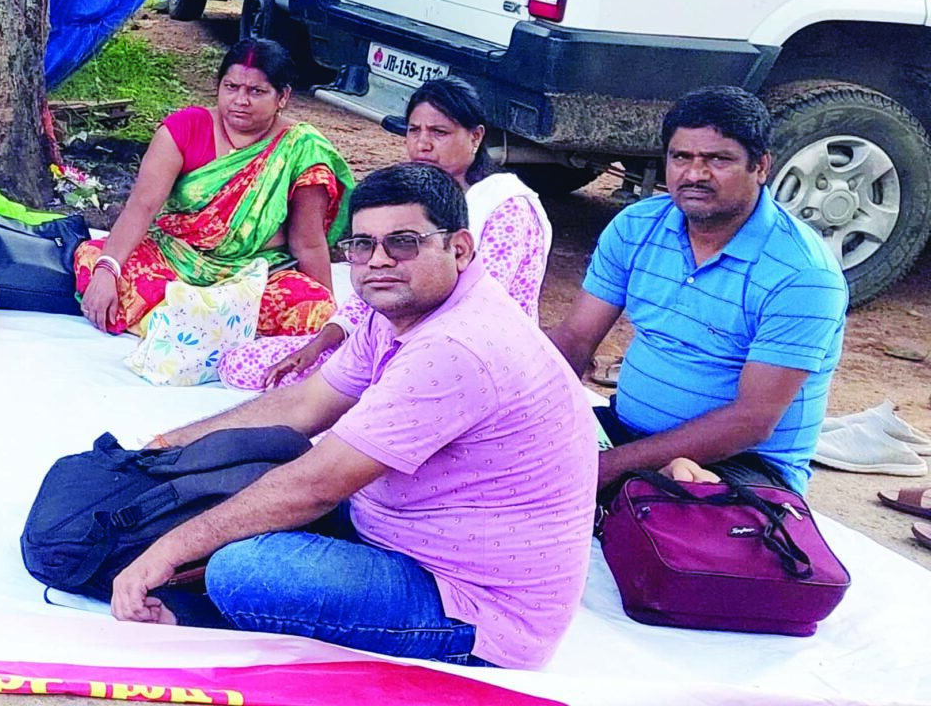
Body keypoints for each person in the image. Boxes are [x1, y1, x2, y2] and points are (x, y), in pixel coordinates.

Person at [110, 164, 596, 671]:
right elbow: (303, 405)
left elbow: (317, 486)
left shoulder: (458, 346)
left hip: (474, 607)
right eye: (363, 245)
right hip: (393, 528)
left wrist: (169, 551)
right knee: (238, 475)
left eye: (403, 243)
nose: (378, 261)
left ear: (459, 249)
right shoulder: (402, 309)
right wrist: (166, 445)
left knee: (246, 572)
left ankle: (198, 611)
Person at [548, 86, 846, 493]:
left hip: (740, 467)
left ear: (761, 166)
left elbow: (752, 421)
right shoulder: (637, 227)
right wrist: (529, 413)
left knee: (654, 511)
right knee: (499, 458)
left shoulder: (803, 274)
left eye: (718, 160)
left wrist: (608, 468)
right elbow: (576, 337)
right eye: (681, 157)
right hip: (625, 435)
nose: (694, 174)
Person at [223, 77, 554, 388]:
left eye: (439, 132)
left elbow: (479, 307)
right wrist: (319, 344)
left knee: (320, 390)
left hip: (471, 355)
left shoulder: (504, 205)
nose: (422, 144)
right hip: (395, 336)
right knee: (242, 363)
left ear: (476, 136)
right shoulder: (415, 194)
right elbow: (373, 285)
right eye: (414, 130)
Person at [76, 39, 352, 339]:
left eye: (256, 91)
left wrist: (330, 320)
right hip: (173, 259)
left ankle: (181, 326)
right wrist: (108, 270)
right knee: (94, 257)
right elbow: (141, 207)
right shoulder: (185, 128)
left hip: (254, 276)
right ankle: (216, 329)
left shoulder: (302, 149)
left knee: (313, 307)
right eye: (231, 87)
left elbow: (307, 243)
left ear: (282, 96)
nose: (240, 100)